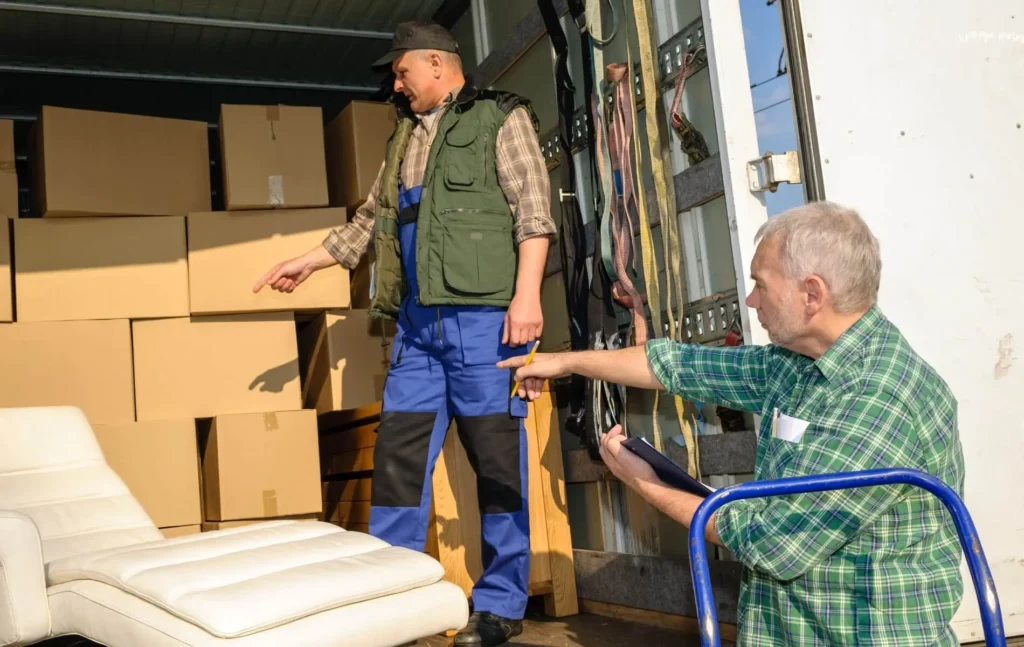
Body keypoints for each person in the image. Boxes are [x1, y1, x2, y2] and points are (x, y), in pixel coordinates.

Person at [500, 201, 966, 646]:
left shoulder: (876, 399)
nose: (750, 298)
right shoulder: (801, 362)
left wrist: (645, 483)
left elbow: (774, 543)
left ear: (812, 293)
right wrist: (565, 362)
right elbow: (679, 366)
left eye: (761, 284)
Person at [254, 19, 556, 647]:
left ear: (438, 64)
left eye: (402, 72)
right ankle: (390, 600)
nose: (396, 85)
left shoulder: (501, 117)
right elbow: (370, 221)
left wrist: (528, 297)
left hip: (484, 323)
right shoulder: (402, 138)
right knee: (397, 464)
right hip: (418, 329)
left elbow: (533, 211)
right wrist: (307, 260)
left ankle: (500, 605)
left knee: (497, 466)